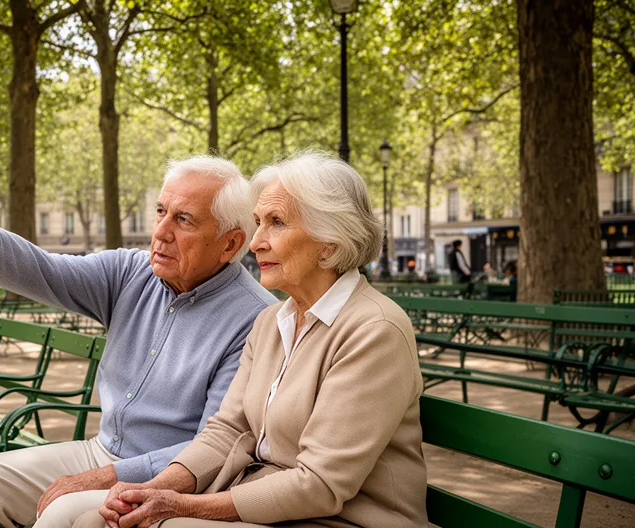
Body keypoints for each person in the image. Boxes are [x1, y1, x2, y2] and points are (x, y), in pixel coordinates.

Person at [0, 155, 277, 528]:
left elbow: (213, 446)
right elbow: (41, 270)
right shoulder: (130, 272)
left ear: (229, 244)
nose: (160, 231)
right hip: (101, 451)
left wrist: (107, 476)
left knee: (59, 516)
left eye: (183, 220)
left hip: (171, 477)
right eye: (160, 212)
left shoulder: (254, 318)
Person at [76, 151, 427, 528]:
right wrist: (153, 490)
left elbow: (320, 486)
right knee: (86, 519)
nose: (255, 242)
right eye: (258, 222)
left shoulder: (375, 330)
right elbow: (226, 431)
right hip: (265, 505)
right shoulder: (271, 322)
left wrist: (180, 506)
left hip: (343, 519)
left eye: (276, 223)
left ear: (330, 241)